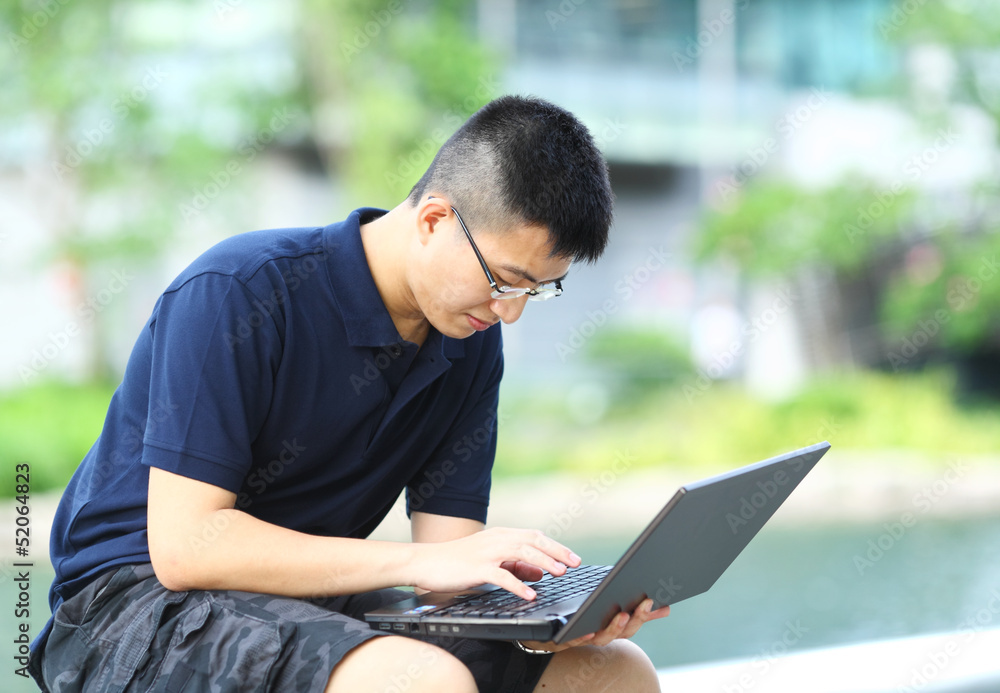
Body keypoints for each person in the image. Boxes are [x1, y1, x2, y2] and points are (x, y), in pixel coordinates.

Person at [30, 95, 670, 693]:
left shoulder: (468, 339)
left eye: (536, 290)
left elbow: (444, 566)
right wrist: (419, 567)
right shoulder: (240, 291)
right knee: (422, 682)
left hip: (311, 595)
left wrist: (536, 619)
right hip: (131, 609)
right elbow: (186, 548)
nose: (510, 313)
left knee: (611, 672)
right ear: (435, 219)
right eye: (505, 281)